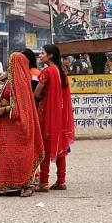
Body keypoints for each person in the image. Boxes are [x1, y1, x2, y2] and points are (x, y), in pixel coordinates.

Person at [0, 52, 44, 197]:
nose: (8, 64)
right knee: (7, 155)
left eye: (11, 61)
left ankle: (28, 184)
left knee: (21, 155)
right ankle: (10, 184)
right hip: (6, 126)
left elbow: (23, 106)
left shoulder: (20, 81)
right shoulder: (10, 79)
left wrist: (4, 109)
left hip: (16, 125)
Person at [34, 44, 75, 192]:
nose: (40, 56)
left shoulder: (47, 72)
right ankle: (61, 180)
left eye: (42, 53)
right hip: (60, 113)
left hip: (47, 112)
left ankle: (44, 181)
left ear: (50, 55)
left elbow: (37, 94)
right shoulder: (62, 71)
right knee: (60, 144)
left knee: (45, 145)